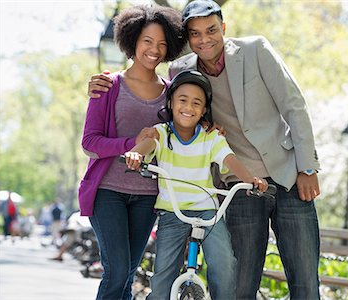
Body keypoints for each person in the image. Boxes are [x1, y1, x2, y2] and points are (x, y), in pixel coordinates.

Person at [88, 1, 322, 298]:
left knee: (305, 283)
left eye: (211, 30)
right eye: (195, 34)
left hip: (288, 173)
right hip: (239, 185)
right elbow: (164, 110)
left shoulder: (255, 50)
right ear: (187, 37)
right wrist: (105, 82)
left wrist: (308, 167)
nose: (204, 39)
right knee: (239, 284)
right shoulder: (179, 70)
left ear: (223, 28)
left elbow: (294, 105)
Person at [124, 70, 269, 299]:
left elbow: (229, 159)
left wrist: (250, 180)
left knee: (224, 263)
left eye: (196, 103)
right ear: (171, 102)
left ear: (203, 110)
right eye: (182, 100)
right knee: (163, 275)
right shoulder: (161, 133)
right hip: (173, 212)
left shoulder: (210, 137)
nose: (188, 107)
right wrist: (134, 154)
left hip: (208, 211)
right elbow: (147, 145)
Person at [78, 5, 187, 300]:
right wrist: (131, 143)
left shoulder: (171, 92)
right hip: (107, 191)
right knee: (117, 270)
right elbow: (90, 143)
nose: (155, 49)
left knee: (128, 273)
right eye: (148, 41)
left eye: (163, 43)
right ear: (133, 41)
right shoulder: (109, 85)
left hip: (148, 195)